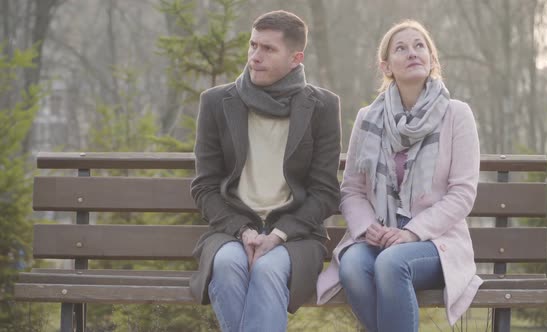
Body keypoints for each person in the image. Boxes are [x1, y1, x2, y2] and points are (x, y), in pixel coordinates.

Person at [316, 20, 483, 331]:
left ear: (433, 59)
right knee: (352, 265)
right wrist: (367, 228)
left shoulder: (456, 114)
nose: (412, 53)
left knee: (392, 262)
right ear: (386, 66)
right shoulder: (368, 119)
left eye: (420, 46)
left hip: (435, 240)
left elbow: (462, 194)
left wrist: (412, 232)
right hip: (380, 233)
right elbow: (351, 189)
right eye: (401, 48)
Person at [189, 10, 341, 332]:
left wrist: (278, 235)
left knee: (267, 270)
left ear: (296, 58)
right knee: (228, 264)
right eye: (253, 45)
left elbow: (325, 192)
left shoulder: (323, 107)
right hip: (231, 231)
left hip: (295, 236)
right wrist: (244, 231)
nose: (255, 57)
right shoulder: (218, 102)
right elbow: (204, 187)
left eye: (268, 49)